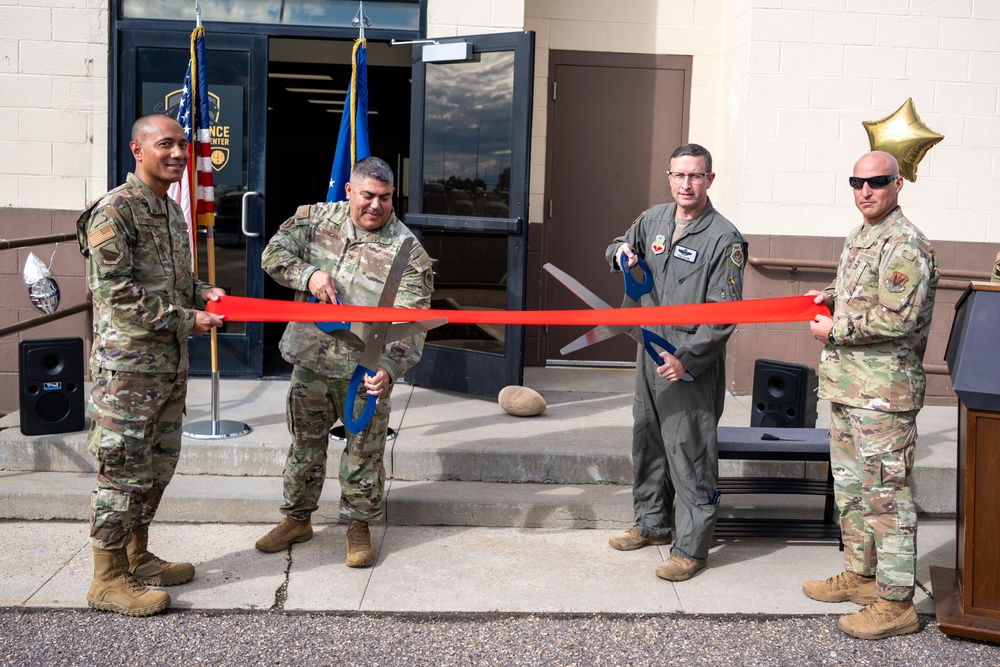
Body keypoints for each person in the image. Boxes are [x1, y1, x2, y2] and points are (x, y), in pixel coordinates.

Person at [76, 113, 226, 616]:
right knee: (121, 472)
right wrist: (189, 317)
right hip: (128, 373)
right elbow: (116, 295)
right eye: (166, 145)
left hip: (167, 368)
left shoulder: (169, 210)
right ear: (136, 150)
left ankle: (137, 559)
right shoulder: (113, 212)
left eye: (182, 145)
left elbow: (175, 282)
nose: (179, 154)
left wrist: (205, 292)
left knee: (156, 469)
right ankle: (107, 579)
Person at [256, 156, 433, 567]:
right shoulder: (316, 220)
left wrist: (388, 369)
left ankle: (358, 527)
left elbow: (414, 322)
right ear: (349, 190)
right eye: (367, 196)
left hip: (365, 369)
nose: (376, 206)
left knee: (364, 452)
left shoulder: (409, 251)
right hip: (312, 360)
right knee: (304, 446)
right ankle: (296, 519)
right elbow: (273, 254)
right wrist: (308, 276)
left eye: (385, 199)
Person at [802, 150, 938, 640]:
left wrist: (834, 326)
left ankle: (897, 602)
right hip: (848, 387)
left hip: (884, 396)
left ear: (898, 184)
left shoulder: (905, 244)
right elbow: (860, 295)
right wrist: (829, 298)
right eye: (857, 182)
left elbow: (897, 318)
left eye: (877, 182)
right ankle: (861, 577)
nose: (865, 191)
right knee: (852, 493)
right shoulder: (861, 236)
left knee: (886, 498)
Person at [605, 143, 746, 582]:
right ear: (669, 176)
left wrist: (687, 360)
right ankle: (651, 524)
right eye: (680, 175)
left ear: (710, 180)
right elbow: (617, 244)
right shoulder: (653, 219)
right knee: (647, 440)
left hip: (688, 362)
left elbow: (726, 315)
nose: (687, 184)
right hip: (648, 350)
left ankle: (691, 548)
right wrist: (619, 255)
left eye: (696, 176)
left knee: (689, 451)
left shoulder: (724, 237)